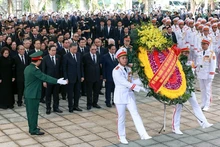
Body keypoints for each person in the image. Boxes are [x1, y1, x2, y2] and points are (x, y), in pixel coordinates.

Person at [112, 47, 151, 144]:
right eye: (122, 58)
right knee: (121, 117)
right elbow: (125, 83)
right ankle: (121, 136)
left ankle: (143, 134)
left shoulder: (128, 69)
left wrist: (143, 81)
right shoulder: (116, 70)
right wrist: (139, 88)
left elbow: (132, 81)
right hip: (120, 96)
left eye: (125, 58)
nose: (125, 60)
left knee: (136, 114)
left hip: (129, 95)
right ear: (118, 59)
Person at [172, 46, 213, 135]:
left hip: (189, 88)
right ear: (181, 53)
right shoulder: (177, 63)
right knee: (178, 108)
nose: (187, 54)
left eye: (187, 53)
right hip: (181, 89)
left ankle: (203, 122)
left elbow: (195, 71)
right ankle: (175, 127)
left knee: (196, 105)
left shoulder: (190, 63)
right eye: (185, 53)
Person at [24, 51, 67, 135]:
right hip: (33, 94)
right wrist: (57, 81)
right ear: (38, 61)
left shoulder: (28, 68)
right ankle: (33, 130)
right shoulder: (35, 70)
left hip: (29, 93)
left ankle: (32, 127)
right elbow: (45, 77)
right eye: (40, 60)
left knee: (31, 112)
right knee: (33, 113)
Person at [196, 39, 216, 111]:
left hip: (207, 74)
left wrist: (211, 75)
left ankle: (207, 104)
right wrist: (197, 71)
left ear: (208, 45)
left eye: (204, 44)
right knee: (202, 89)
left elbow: (213, 65)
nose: (203, 45)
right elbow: (198, 63)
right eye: (202, 44)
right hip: (201, 74)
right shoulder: (200, 53)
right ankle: (203, 103)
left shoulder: (211, 53)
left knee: (207, 90)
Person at [63, 43, 84, 113]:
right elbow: (64, 68)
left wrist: (82, 76)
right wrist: (66, 78)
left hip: (78, 77)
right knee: (70, 93)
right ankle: (70, 106)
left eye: (76, 49)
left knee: (77, 93)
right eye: (74, 49)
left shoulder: (78, 55)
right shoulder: (66, 56)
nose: (75, 50)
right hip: (70, 78)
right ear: (70, 48)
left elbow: (81, 66)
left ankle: (76, 105)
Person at [42, 45, 63, 114]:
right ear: (49, 51)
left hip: (56, 79)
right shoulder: (45, 58)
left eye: (55, 50)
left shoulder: (58, 57)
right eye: (52, 50)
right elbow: (43, 70)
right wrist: (44, 81)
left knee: (56, 95)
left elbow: (60, 69)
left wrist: (60, 79)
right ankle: (48, 108)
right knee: (48, 95)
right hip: (48, 80)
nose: (54, 52)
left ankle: (56, 107)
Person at [82, 44, 101, 110]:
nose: (94, 51)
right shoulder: (85, 56)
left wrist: (101, 74)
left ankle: (95, 103)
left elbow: (99, 65)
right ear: (90, 49)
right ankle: (89, 104)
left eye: (95, 49)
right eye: (92, 49)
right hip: (89, 76)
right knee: (89, 91)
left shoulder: (98, 55)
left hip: (97, 76)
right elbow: (83, 66)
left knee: (96, 91)